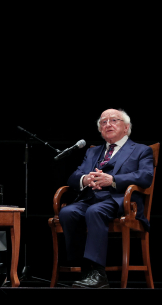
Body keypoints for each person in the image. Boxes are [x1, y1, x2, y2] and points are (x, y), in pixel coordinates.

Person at [58, 108, 154, 288]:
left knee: (95, 211)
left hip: (119, 200)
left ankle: (98, 273)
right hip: (89, 198)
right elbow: (74, 176)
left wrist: (113, 180)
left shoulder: (142, 150)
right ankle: (85, 269)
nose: (108, 124)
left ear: (126, 127)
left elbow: (145, 177)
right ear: (100, 129)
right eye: (103, 122)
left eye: (114, 120)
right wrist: (85, 179)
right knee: (67, 212)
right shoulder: (93, 152)